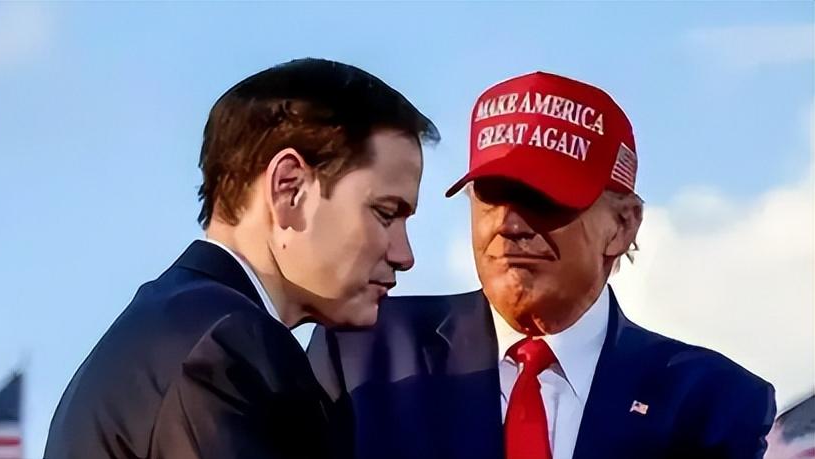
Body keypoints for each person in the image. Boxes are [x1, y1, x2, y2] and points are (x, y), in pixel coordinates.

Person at [309, 71, 776, 459]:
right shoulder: (362, 354)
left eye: (542, 199)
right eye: (492, 196)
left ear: (621, 225)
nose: (509, 224)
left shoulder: (713, 404)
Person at [44, 58, 439, 459]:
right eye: (385, 214)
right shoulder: (225, 347)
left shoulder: (177, 330)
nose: (404, 256)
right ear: (290, 189)